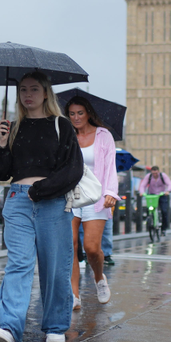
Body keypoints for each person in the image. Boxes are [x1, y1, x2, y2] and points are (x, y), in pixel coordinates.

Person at [0, 72, 83, 342]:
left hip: (51, 202)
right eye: (23, 90)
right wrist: (2, 144)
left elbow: (72, 169)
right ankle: (9, 328)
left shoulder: (60, 126)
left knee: (54, 268)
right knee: (19, 264)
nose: (28, 95)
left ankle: (55, 326)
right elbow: (1, 172)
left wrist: (41, 190)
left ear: (45, 93)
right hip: (17, 201)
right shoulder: (13, 127)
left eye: (34, 89)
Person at [65, 96, 119, 309]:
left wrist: (110, 193)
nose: (76, 117)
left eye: (80, 113)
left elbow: (110, 166)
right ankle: (74, 295)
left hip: (96, 197)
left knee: (91, 248)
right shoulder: (66, 135)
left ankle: (99, 277)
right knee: (70, 246)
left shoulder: (104, 136)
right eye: (71, 113)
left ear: (88, 113)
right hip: (70, 196)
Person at [137, 165, 171, 232]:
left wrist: (168, 191)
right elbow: (143, 185)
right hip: (152, 195)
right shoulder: (149, 176)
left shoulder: (163, 176)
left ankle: (164, 228)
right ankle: (150, 224)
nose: (155, 175)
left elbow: (169, 184)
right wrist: (141, 192)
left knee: (164, 211)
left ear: (158, 172)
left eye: (156, 173)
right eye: (153, 173)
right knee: (149, 209)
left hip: (161, 194)